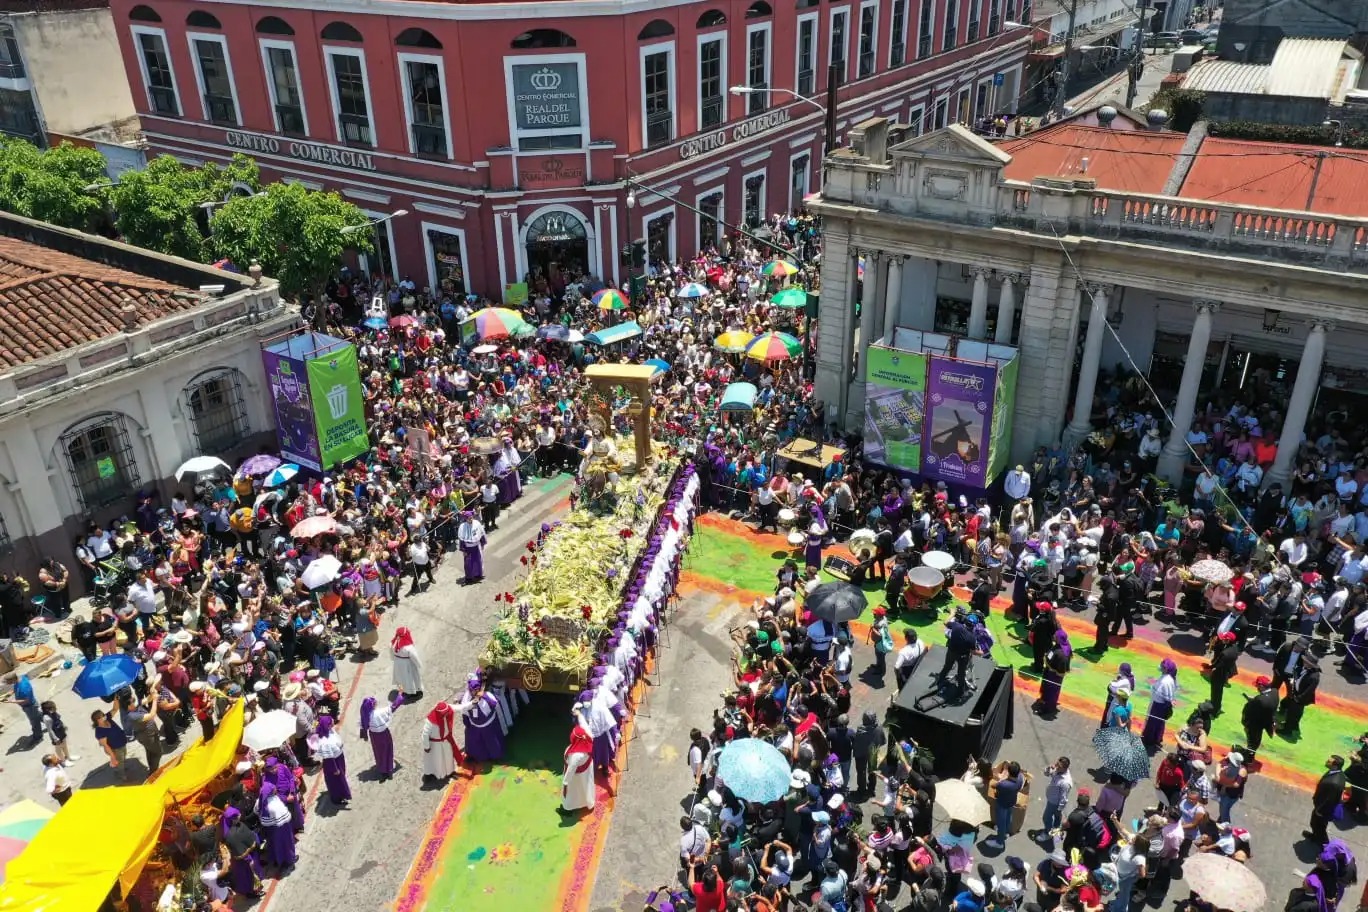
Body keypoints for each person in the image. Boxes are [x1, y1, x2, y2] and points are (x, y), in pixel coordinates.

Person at [458, 675, 506, 762]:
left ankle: (496, 757)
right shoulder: (467, 698)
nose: (474, 693)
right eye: (472, 691)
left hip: (489, 726)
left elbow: (495, 704)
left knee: (492, 743)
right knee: (474, 743)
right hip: (474, 726)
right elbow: (464, 711)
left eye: (476, 690)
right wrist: (467, 722)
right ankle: (475, 756)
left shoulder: (487, 696)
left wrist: (484, 696)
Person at [359, 694, 405, 781]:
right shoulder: (379, 712)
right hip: (384, 735)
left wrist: (365, 737)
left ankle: (383, 770)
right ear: (373, 705)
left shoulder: (365, 716)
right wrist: (400, 696)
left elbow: (362, 727)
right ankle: (389, 768)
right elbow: (393, 707)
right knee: (388, 750)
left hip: (374, 737)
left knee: (379, 753)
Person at [221, 807, 264, 899]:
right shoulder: (230, 836)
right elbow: (239, 850)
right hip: (245, 860)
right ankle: (251, 892)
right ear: (232, 820)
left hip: (251, 854)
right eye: (237, 816)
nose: (240, 816)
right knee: (248, 877)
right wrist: (249, 860)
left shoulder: (237, 824)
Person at [562, 704, 596, 813]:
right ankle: (588, 802)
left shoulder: (576, 755)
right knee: (586, 787)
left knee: (573, 792)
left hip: (575, 776)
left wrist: (566, 782)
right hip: (586, 771)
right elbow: (584, 726)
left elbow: (571, 768)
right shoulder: (587, 736)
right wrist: (579, 715)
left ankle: (568, 808)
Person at [257, 781, 297, 872]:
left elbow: (257, 810)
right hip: (281, 829)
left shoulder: (262, 801)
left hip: (270, 830)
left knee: (274, 845)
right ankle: (289, 860)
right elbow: (285, 817)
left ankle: (277, 861)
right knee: (285, 844)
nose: (275, 788)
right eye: (273, 787)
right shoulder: (274, 803)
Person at [1306, 755, 1346, 845]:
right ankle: (1316, 836)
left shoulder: (1334, 783)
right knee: (1317, 825)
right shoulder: (1337, 773)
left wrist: (1319, 811)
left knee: (1318, 826)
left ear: (1335, 765)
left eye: (1329, 761)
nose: (1326, 761)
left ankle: (1325, 845)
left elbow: (1329, 801)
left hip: (1323, 810)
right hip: (1321, 807)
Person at [421, 701, 464, 781]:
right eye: (444, 714)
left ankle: (450, 772)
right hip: (435, 745)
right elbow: (425, 734)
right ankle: (431, 774)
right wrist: (426, 746)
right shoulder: (430, 722)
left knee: (448, 758)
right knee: (436, 760)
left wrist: (472, 703)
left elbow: (460, 707)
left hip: (446, 741)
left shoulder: (448, 709)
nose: (447, 715)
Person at [314, 714, 351, 806]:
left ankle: (340, 794)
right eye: (331, 722)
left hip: (338, 758)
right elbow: (329, 758)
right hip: (333, 763)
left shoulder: (329, 731)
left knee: (340, 778)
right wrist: (335, 769)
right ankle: (337, 798)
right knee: (336, 781)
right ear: (328, 725)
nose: (333, 721)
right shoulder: (325, 742)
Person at [1034, 757, 1073, 843]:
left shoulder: (1065, 782)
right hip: (1052, 798)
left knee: (1046, 818)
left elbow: (1064, 798)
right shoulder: (1058, 771)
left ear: (1064, 768)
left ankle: (1048, 833)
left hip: (1054, 803)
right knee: (1057, 817)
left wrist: (1059, 809)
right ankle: (1056, 829)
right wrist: (1049, 768)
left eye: (1059, 766)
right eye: (1057, 764)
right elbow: (1046, 774)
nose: (1056, 767)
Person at [1141, 659, 1178, 751]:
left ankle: (1149, 740)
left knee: (1153, 723)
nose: (1161, 667)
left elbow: (1165, 695)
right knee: (1158, 723)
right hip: (1159, 704)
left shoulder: (1166, 681)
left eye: (1162, 667)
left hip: (1159, 705)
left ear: (1166, 669)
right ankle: (1155, 738)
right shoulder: (1167, 677)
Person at [1034, 629, 1072, 717]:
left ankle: (1047, 709)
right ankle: (1045, 701)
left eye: (1055, 636)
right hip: (1053, 672)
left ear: (1058, 639)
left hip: (1053, 674)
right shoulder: (1065, 646)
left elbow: (1060, 665)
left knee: (1050, 691)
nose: (1054, 636)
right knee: (1052, 690)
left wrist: (1047, 660)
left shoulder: (1060, 653)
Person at [1282, 653, 1321, 737]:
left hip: (1300, 698)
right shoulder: (1306, 669)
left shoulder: (1314, 677)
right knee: (1295, 712)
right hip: (1297, 694)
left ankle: (1287, 730)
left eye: (1306, 662)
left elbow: (1309, 691)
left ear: (1310, 664)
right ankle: (1294, 725)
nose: (1304, 662)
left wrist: (1297, 699)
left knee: (1293, 714)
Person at [1241, 675, 1278, 753]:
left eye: (1258, 686)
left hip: (1257, 723)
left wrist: (1253, 702)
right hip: (1269, 720)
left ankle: (1249, 756)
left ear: (1261, 686)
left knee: (1253, 742)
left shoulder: (1259, 700)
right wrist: (1255, 700)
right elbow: (1267, 702)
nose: (1257, 688)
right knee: (1257, 739)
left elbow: (1248, 711)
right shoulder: (1275, 692)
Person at [4, 672, 43, 745]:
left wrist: (12, 701)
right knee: (38, 716)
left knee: (34, 723)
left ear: (13, 679)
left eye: (8, 681)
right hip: (28, 706)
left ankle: (38, 737)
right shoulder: (19, 679)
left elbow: (26, 700)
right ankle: (53, 721)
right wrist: (11, 692)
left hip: (30, 706)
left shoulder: (24, 687)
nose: (6, 683)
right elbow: (17, 686)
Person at [992, 761, 1026, 845]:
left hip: (1002, 803)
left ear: (1009, 772)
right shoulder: (1020, 778)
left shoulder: (1004, 784)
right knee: (1008, 818)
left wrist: (1002, 779)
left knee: (1001, 822)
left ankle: (999, 842)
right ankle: (1006, 832)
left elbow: (994, 785)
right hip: (1011, 801)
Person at [1208, 631, 1240, 715]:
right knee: (1219, 691)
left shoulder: (1225, 653)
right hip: (1226, 673)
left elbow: (1219, 665)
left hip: (1219, 674)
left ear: (1228, 640)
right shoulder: (1235, 648)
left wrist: (1212, 668)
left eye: (1224, 639)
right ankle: (1216, 705)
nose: (1222, 639)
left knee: (1216, 692)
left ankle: (1215, 709)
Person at [391, 627, 424, 701]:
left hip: (398, 664)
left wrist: (395, 660)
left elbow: (391, 654)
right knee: (411, 679)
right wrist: (419, 664)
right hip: (408, 665)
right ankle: (413, 693)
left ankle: (405, 691)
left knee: (402, 678)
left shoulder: (393, 643)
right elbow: (414, 657)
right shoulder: (409, 647)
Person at [457, 510, 487, 584]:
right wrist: (463, 550)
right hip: (468, 548)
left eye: (471, 517)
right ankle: (469, 578)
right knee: (468, 564)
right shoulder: (462, 526)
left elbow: (482, 533)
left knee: (478, 561)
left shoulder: (477, 523)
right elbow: (461, 540)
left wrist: (482, 544)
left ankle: (478, 575)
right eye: (469, 518)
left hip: (476, 547)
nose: (471, 519)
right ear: (466, 519)